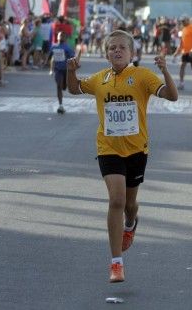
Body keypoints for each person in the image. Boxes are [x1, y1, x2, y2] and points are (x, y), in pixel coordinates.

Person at [66, 30, 178, 283]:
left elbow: (172, 96)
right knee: (116, 200)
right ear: (106, 54)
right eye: (112, 48)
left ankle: (131, 222)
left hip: (137, 150)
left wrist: (165, 71)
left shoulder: (142, 76)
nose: (117, 51)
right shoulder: (100, 79)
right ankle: (116, 263)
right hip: (108, 148)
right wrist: (71, 71)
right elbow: (74, 90)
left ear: (131, 53)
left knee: (129, 204)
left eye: (122, 48)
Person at [172, 16, 192, 90]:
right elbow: (182, 42)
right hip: (185, 51)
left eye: (184, 21)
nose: (182, 22)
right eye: (181, 21)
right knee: (182, 66)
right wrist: (177, 51)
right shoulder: (183, 29)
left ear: (188, 20)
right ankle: (181, 83)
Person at [49, 31, 74, 114]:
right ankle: (60, 105)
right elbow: (50, 57)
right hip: (58, 70)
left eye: (63, 36)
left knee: (64, 87)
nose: (61, 37)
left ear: (65, 38)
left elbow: (72, 58)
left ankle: (64, 85)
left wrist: (73, 67)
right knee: (59, 87)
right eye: (60, 35)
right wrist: (50, 69)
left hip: (66, 70)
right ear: (57, 37)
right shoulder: (53, 47)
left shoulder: (67, 48)